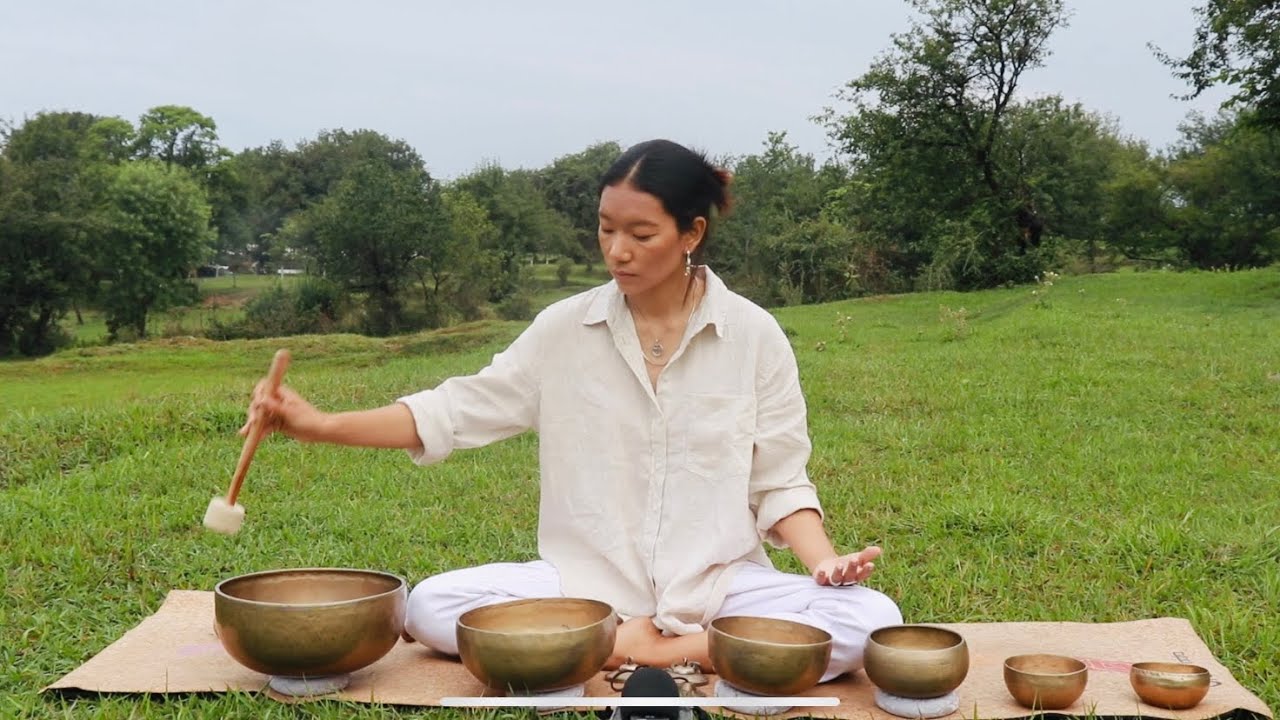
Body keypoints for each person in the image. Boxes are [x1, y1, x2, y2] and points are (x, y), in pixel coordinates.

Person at [241, 139, 902, 683]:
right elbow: (454, 411)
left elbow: (781, 482)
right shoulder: (564, 330)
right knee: (432, 606)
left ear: (691, 233)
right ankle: (641, 639)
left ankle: (651, 649)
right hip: (585, 589)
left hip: (719, 586)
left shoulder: (754, 335)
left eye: (641, 233)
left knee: (870, 619)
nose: (617, 251)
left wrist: (823, 563)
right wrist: (320, 424)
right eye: (606, 229)